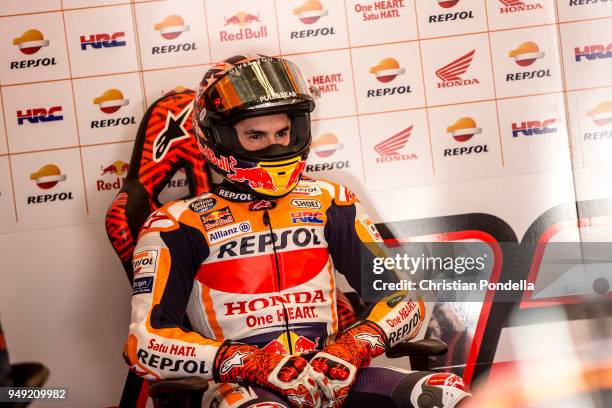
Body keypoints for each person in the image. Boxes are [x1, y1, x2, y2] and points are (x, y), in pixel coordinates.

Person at [124, 55, 470, 408]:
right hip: (243, 387)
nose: (274, 146)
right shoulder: (177, 223)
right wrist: (249, 362)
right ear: (218, 137)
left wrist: (354, 347)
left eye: (282, 132)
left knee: (447, 393)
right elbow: (144, 342)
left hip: (334, 375)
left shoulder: (330, 200)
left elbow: (403, 301)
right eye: (256, 135)